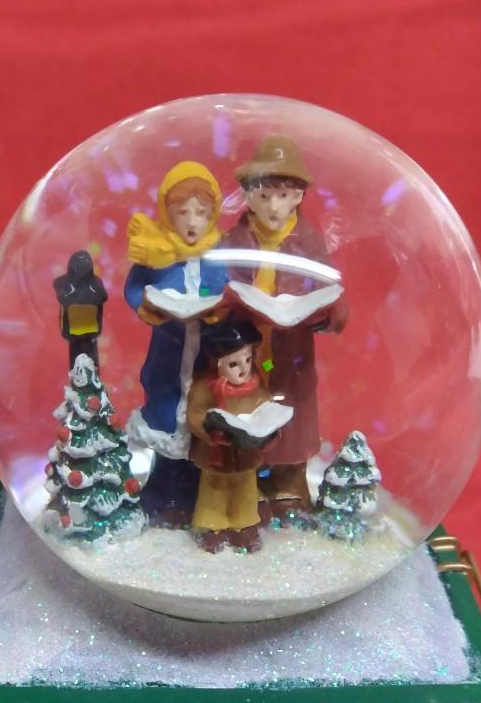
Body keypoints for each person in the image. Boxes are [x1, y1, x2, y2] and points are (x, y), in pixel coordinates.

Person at [224, 135, 347, 514]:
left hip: (290, 347)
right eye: (263, 195)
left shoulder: (307, 242)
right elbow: (215, 281)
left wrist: (328, 310)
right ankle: (245, 482)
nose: (273, 206)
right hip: (244, 346)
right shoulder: (234, 240)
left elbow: (330, 287)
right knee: (245, 407)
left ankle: (288, 484)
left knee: (292, 411)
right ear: (248, 197)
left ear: (298, 197)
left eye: (282, 195)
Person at [125, 161, 227, 521]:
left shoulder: (218, 257)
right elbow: (134, 288)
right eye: (182, 212)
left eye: (200, 212)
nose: (192, 222)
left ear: (212, 215)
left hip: (206, 357)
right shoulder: (155, 253)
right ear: (167, 213)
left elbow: (229, 288)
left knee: (200, 421)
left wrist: (218, 309)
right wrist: (148, 305)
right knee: (166, 416)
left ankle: (197, 492)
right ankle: (163, 492)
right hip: (168, 354)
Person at [186, 319, 277, 553]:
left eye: (248, 360)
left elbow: (267, 406)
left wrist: (268, 428)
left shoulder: (255, 384)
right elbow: (195, 414)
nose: (243, 369)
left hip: (245, 453)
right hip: (215, 453)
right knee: (213, 491)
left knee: (245, 490)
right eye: (234, 364)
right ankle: (213, 526)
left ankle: (243, 525)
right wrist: (211, 427)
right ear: (216, 364)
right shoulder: (205, 386)